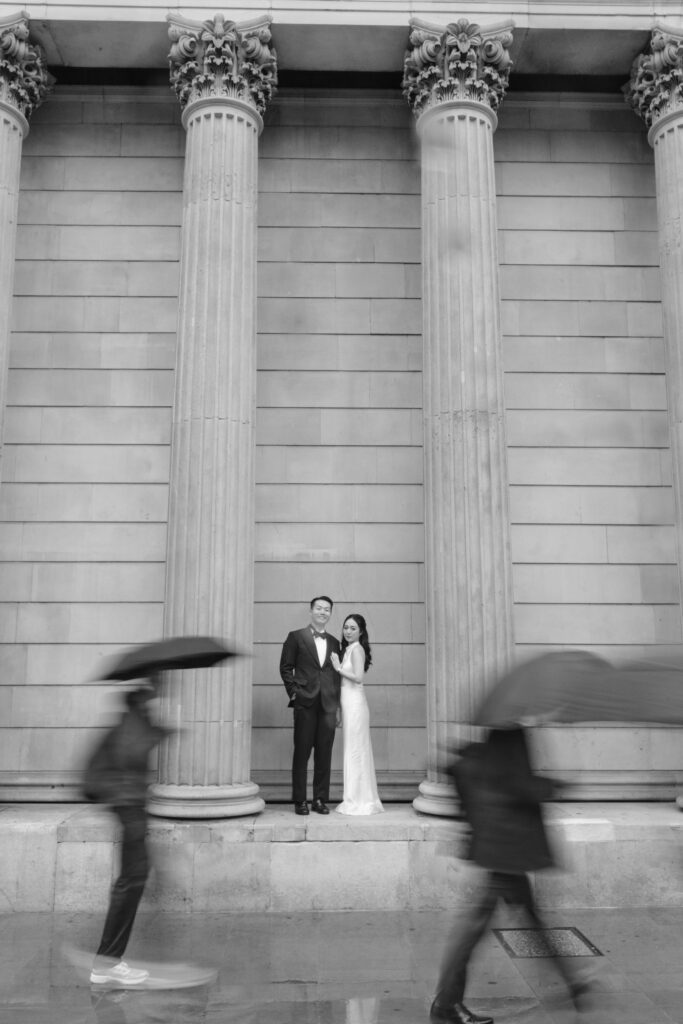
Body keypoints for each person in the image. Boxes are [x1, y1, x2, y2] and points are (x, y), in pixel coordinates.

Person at [430, 726, 591, 1024]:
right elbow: (517, 785)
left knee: (532, 921)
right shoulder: (509, 737)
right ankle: (446, 1005)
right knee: (472, 931)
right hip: (506, 851)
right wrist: (553, 786)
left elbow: (505, 783)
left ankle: (573, 984)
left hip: (502, 849)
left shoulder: (496, 740)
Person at [83, 682, 171, 988]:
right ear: (140, 704)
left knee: (133, 880)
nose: (154, 706)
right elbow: (130, 758)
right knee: (129, 883)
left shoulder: (129, 725)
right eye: (150, 702)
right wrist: (160, 732)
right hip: (130, 810)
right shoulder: (131, 728)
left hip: (132, 810)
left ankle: (108, 960)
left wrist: (162, 732)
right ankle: (107, 962)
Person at [280, 596, 341, 815]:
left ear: (330, 613)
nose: (323, 612)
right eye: (319, 608)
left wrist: (338, 705)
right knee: (302, 753)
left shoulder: (335, 642)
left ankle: (319, 799)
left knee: (324, 754)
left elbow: (337, 675)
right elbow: (286, 667)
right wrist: (294, 693)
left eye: (327, 609)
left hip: (328, 705)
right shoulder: (296, 637)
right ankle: (300, 800)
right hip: (304, 702)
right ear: (311, 611)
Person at [331, 613, 383, 816]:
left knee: (356, 751)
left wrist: (337, 668)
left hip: (356, 705)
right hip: (348, 705)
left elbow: (358, 678)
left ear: (361, 631)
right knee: (352, 750)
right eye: (346, 627)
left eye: (353, 628)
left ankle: (360, 800)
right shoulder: (349, 650)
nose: (348, 631)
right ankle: (355, 797)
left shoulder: (357, 649)